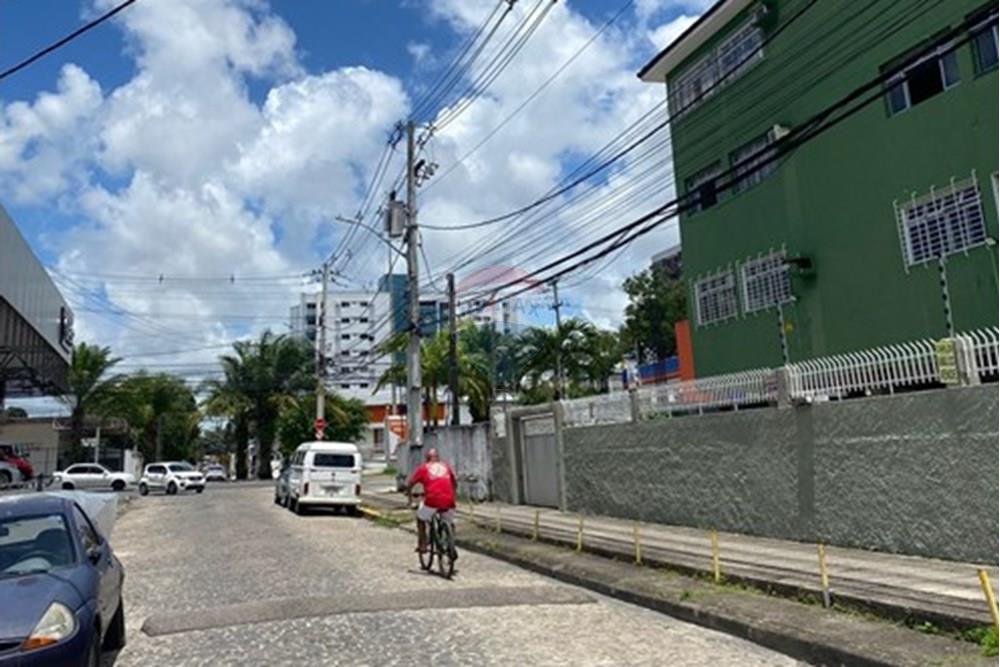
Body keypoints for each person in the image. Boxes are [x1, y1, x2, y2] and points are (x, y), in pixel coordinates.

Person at [405, 448, 457, 555]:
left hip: (432, 500)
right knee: (449, 522)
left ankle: (423, 544)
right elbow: (454, 481)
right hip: (449, 500)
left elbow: (410, 484)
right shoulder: (446, 466)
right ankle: (451, 542)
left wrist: (410, 499)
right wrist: (453, 494)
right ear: (437, 458)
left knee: (420, 518)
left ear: (427, 458)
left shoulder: (423, 468)